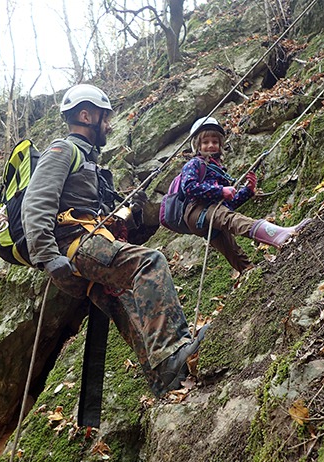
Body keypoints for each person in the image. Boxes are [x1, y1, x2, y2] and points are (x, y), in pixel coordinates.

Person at [21, 84, 204, 397]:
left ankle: (166, 380)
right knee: (149, 263)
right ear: (86, 115)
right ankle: (173, 351)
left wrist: (132, 213)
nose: (109, 125)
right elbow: (36, 202)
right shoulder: (62, 150)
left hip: (85, 248)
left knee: (127, 306)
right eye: (105, 118)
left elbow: (104, 217)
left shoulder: (91, 165)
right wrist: (47, 255)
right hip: (73, 246)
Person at [181, 116, 311, 273]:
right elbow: (189, 187)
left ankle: (248, 271)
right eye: (205, 142)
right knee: (230, 219)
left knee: (229, 246)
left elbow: (230, 202)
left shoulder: (219, 170)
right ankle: (278, 235)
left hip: (212, 211)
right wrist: (221, 190)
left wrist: (248, 190)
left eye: (215, 142)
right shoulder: (194, 164)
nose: (211, 145)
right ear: (197, 145)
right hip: (197, 210)